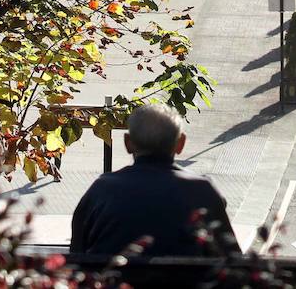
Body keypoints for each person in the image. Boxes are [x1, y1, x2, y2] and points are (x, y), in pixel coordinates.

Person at [70, 104, 238, 258]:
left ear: (128, 143)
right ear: (181, 143)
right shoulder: (203, 192)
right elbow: (233, 260)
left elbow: (77, 254)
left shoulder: (101, 191)